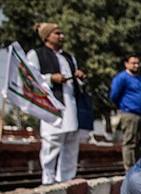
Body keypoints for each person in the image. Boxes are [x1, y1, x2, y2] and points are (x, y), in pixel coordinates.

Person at [27, 22, 86, 185]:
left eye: (61, 33)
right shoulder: (36, 54)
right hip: (51, 106)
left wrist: (78, 77)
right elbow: (30, 79)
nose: (62, 37)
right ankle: (48, 180)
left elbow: (75, 84)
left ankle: (67, 178)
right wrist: (50, 78)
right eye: (57, 33)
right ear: (47, 36)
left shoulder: (68, 57)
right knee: (51, 143)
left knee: (71, 142)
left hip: (70, 105)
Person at [110, 55, 141, 170]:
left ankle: (140, 167)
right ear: (126, 63)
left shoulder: (140, 79)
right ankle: (129, 168)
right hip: (129, 113)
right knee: (130, 142)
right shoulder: (121, 78)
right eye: (133, 63)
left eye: (137, 63)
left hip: (140, 113)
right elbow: (114, 95)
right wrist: (120, 106)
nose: (136, 65)